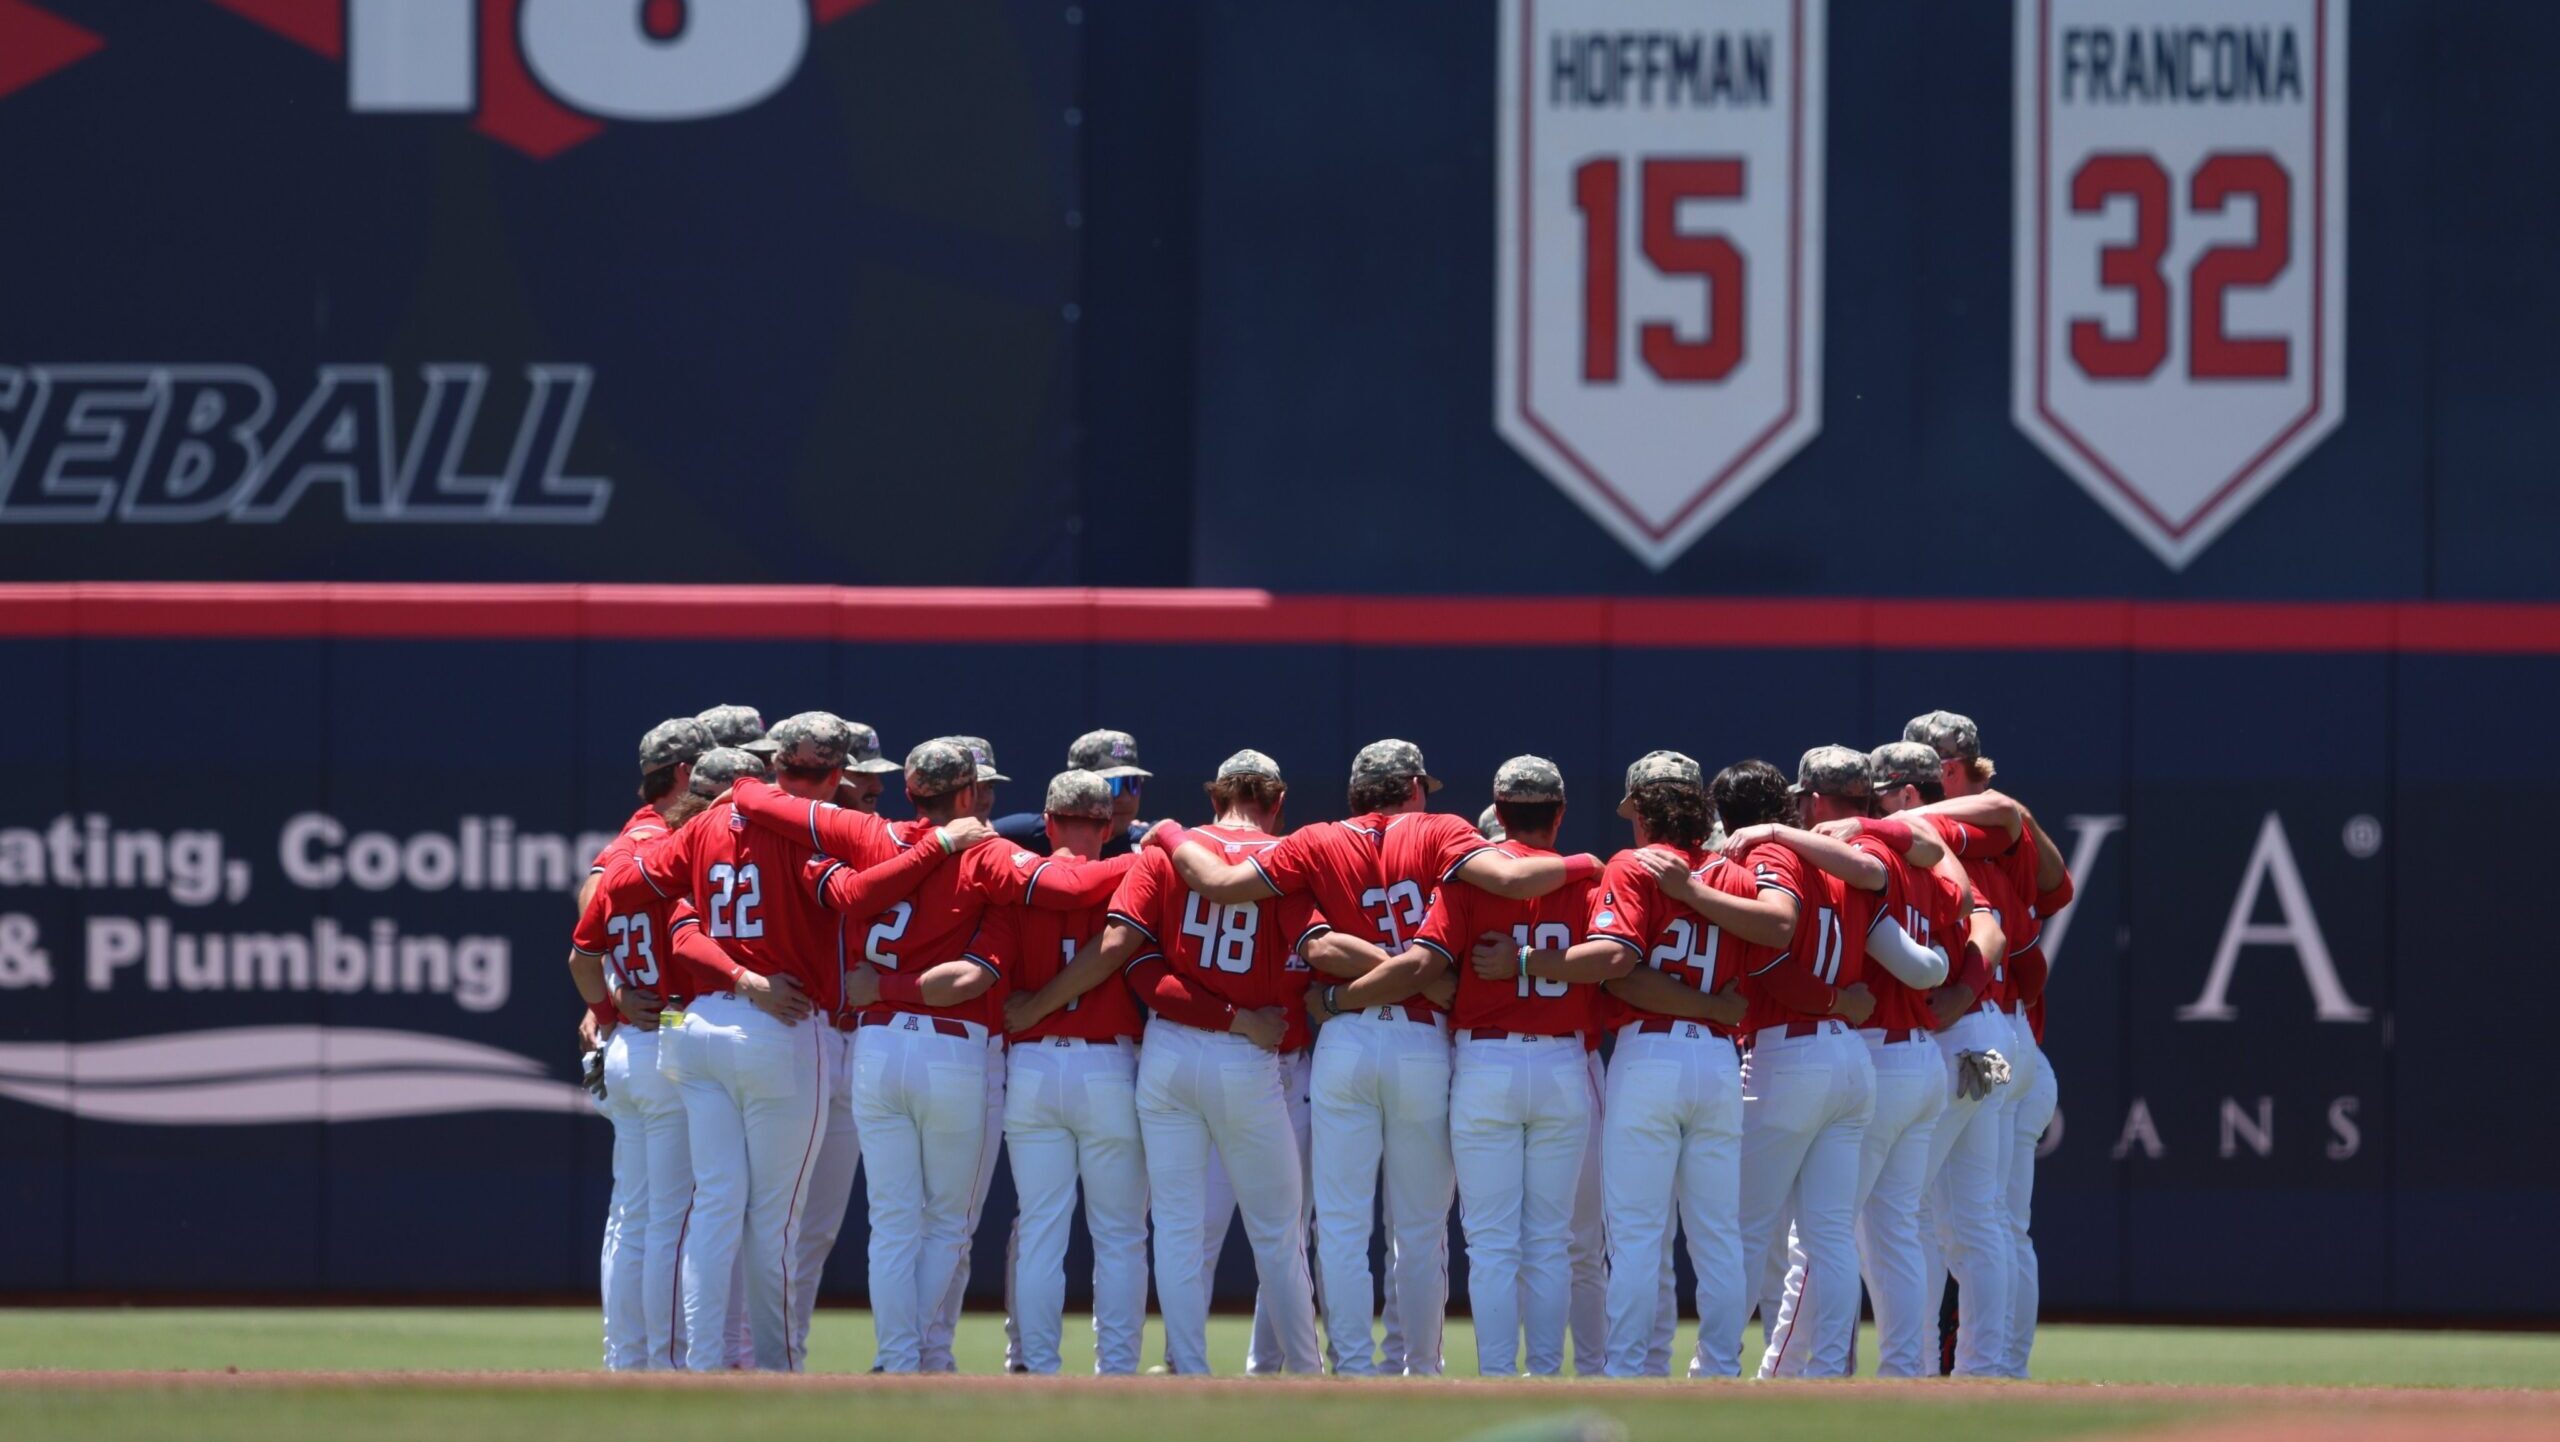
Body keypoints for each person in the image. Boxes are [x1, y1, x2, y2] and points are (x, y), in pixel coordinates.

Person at [1176, 739, 1592, 1376]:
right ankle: (1419, 1366)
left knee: (1339, 1225)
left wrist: (1170, 836)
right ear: (1414, 787)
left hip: (1348, 1039)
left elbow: (1226, 886)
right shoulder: (1440, 829)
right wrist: (1593, 862)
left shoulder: (1313, 839)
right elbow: (1510, 878)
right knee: (1420, 1227)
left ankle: (1350, 1366)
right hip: (1421, 1037)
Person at [583, 714, 945, 1370]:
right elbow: (856, 890)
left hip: (697, 1031)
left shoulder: (700, 831)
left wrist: (608, 976)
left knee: (710, 1210)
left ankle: (696, 1362)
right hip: (781, 1028)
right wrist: (936, 849)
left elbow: (620, 889)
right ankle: (773, 1369)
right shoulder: (798, 834)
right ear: (831, 777)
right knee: (774, 1220)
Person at [1010, 748, 1352, 1375]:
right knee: (1279, 1233)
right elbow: (1317, 946)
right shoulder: (1287, 856)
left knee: (1175, 1229)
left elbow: (1131, 956)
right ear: (1276, 802)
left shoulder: (1164, 852)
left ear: (1213, 796)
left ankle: (1188, 1372)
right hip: (1247, 1059)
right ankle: (1305, 1373)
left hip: (1167, 1052)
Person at [1476, 750, 1751, 1378]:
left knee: (1635, 1238)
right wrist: (1713, 1004)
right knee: (1717, 1238)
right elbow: (1775, 932)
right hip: (1716, 1059)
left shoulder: (1634, 865)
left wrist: (1526, 961)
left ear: (1645, 813)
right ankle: (1722, 1373)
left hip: (1651, 1057)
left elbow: (1617, 967)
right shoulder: (1732, 876)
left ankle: (1631, 1371)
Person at [1326, 756, 1597, 1376]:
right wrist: (1538, 959)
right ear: (1558, 813)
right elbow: (1613, 961)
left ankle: (1498, 1375)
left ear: (1497, 815)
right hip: (1562, 1064)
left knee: (1493, 1244)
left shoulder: (1466, 880)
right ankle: (1546, 1373)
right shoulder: (1587, 880)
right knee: (1550, 1242)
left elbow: (1426, 961)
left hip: (1486, 1064)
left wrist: (1340, 997)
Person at [1722, 747, 1953, 1377]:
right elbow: (1935, 942)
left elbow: (1914, 956)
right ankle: (1884, 1372)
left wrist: (1775, 832)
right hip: (1887, 1053)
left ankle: (1758, 1371)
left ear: (1813, 800)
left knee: (1785, 1233)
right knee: (1874, 1234)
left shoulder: (1839, 855)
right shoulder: (1884, 854)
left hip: (1842, 1048)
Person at [977, 770, 1149, 1374]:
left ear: (1047, 823)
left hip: (1031, 1063)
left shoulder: (1016, 881)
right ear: (1109, 826)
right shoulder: (1134, 873)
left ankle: (1038, 1366)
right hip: (1108, 1064)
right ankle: (1120, 1369)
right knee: (1121, 1234)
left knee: (1042, 1229)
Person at [572, 715, 711, 1370]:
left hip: (627, 1039)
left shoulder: (627, 843)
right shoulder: (674, 844)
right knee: (670, 1220)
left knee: (631, 1216)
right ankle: (665, 1364)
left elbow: (586, 926)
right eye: (706, 769)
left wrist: (606, 1002)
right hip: (666, 1034)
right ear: (683, 775)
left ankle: (625, 1360)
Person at [995, 728, 1161, 857]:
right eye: (1112, 785)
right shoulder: (1026, 836)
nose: (1125, 798)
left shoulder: (1152, 842)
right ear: (1075, 786)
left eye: (1133, 783)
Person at [831, 721, 903, 812]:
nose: (878, 787)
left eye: (877, 774)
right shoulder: (809, 824)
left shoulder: (876, 824)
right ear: (831, 776)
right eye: (863, 774)